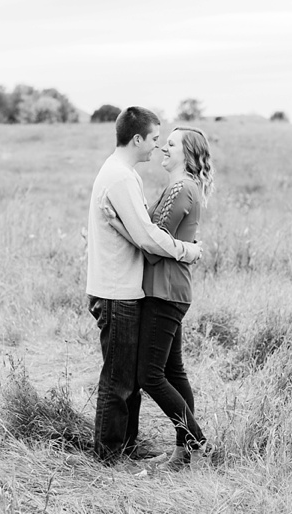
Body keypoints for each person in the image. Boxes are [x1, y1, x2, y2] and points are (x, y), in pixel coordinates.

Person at [85, 107, 203, 468]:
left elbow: (142, 233)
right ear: (137, 139)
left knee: (133, 378)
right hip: (117, 290)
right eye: (155, 139)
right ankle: (109, 455)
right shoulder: (120, 177)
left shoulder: (126, 174)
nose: (157, 146)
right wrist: (188, 251)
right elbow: (148, 237)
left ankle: (127, 445)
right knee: (120, 380)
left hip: (129, 289)